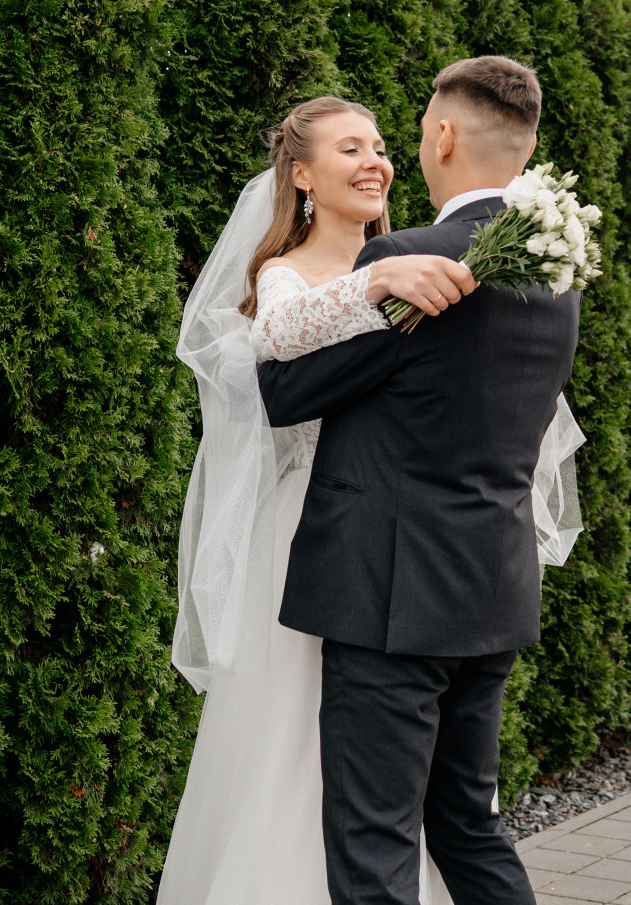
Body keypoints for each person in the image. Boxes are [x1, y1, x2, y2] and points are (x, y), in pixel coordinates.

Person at [164, 73, 581, 903]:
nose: (376, 161)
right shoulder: (551, 265)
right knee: (465, 825)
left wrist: (373, 281)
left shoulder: (410, 258)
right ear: (300, 176)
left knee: (372, 840)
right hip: (482, 577)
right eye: (349, 148)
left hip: (383, 584)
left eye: (384, 144)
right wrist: (368, 287)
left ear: (439, 139)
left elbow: (286, 389)